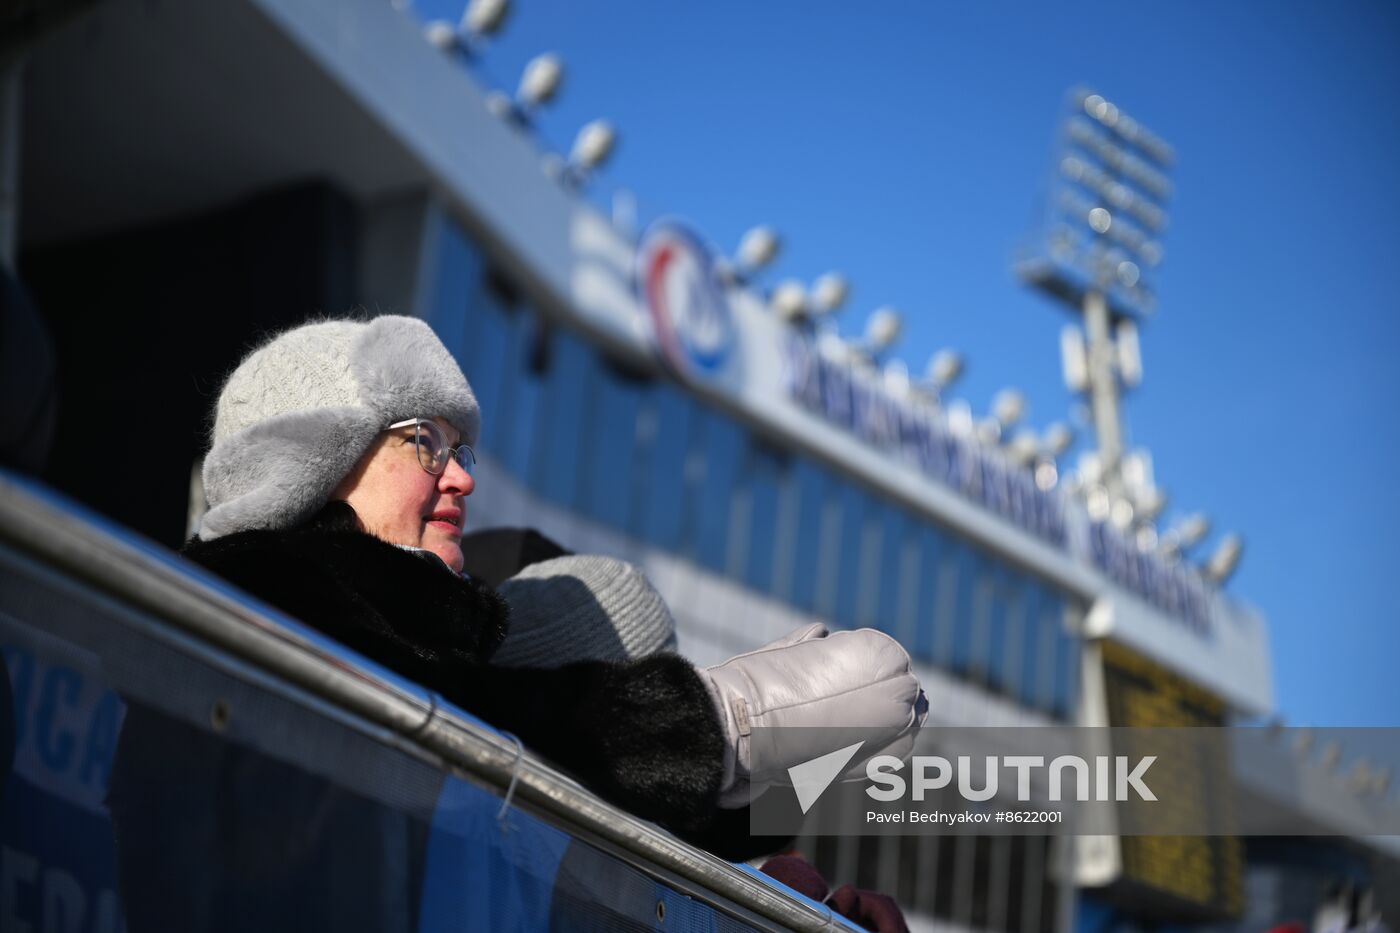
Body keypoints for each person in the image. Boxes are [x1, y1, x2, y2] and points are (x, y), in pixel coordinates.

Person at [181, 313, 925, 851]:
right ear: (315, 456)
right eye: (426, 443)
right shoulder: (252, 601)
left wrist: (765, 783)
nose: (464, 476)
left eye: (461, 447)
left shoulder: (399, 626)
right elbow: (462, 720)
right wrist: (719, 722)